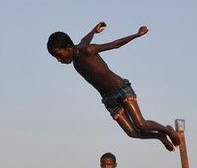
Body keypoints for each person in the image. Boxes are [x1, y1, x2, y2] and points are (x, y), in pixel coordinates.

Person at [47, 22, 183, 152]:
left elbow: (115, 44)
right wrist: (94, 30)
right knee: (132, 132)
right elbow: (85, 38)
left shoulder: (87, 50)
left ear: (68, 48)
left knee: (141, 124)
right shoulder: (77, 54)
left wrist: (137, 34)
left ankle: (167, 130)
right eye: (56, 58)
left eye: (59, 56)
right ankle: (159, 136)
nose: (59, 60)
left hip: (120, 89)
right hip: (108, 99)